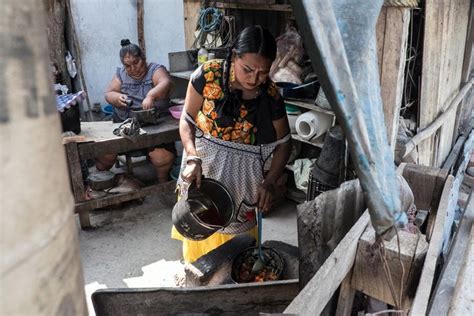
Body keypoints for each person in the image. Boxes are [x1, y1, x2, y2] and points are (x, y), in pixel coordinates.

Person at [172, 26, 291, 263]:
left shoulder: (270, 95)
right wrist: (192, 155)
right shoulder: (207, 75)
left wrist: (269, 182)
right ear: (234, 55)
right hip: (203, 168)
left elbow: (285, 143)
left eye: (263, 72)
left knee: (238, 254)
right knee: (200, 229)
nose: (254, 79)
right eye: (247, 69)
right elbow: (186, 119)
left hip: (244, 179)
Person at [97, 39, 175, 183]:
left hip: (154, 124)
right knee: (106, 154)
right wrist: (117, 97)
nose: (133, 68)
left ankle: (162, 182)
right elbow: (109, 93)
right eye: (128, 65)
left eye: (136, 62)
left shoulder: (155, 69)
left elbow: (165, 82)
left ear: (143, 58)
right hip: (126, 124)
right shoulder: (121, 74)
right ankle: (99, 181)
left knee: (162, 157)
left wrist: (151, 96)